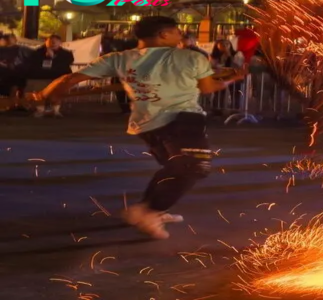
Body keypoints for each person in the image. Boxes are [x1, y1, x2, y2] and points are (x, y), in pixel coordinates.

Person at [30, 16, 246, 239]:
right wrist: (232, 80)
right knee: (193, 166)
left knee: (174, 168)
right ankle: (150, 211)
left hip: (147, 124)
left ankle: (151, 209)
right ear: (163, 34)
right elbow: (209, 88)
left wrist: (45, 94)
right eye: (176, 31)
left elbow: (69, 79)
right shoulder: (191, 57)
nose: (180, 35)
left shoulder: (119, 58)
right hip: (183, 119)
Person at [27, 34, 74, 117]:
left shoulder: (66, 53)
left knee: (56, 92)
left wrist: (54, 58)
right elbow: (32, 63)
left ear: (60, 43)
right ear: (46, 42)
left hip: (58, 77)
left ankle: (56, 111)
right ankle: (40, 110)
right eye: (50, 41)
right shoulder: (37, 52)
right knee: (39, 92)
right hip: (40, 77)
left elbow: (67, 63)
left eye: (55, 42)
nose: (53, 43)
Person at [210, 39, 245, 114]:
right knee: (219, 93)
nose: (225, 46)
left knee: (235, 93)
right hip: (220, 76)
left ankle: (235, 110)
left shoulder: (236, 54)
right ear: (217, 46)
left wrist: (230, 56)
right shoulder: (214, 55)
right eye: (222, 44)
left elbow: (239, 65)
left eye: (227, 44)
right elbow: (212, 65)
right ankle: (217, 110)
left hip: (233, 76)